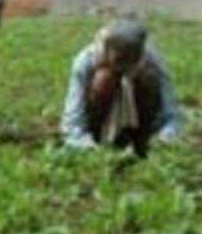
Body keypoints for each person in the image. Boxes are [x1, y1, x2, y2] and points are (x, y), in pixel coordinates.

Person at [60, 18, 180, 157]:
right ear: (106, 50)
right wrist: (87, 147)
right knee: (103, 79)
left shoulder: (152, 60)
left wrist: (164, 139)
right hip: (99, 120)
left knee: (149, 76)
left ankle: (142, 139)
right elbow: (72, 120)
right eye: (120, 61)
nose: (126, 68)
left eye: (132, 61)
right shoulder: (86, 60)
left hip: (141, 118)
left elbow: (171, 114)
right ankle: (100, 136)